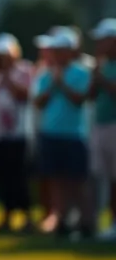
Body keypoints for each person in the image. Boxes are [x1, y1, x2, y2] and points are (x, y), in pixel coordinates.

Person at [33, 29, 93, 239]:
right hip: (50, 133)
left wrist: (62, 83)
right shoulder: (47, 73)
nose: (56, 54)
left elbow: (79, 99)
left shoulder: (82, 72)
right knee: (55, 180)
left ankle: (86, 224)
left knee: (76, 181)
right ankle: (62, 221)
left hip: (74, 134)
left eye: (60, 50)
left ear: (69, 51)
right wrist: (53, 83)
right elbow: (39, 102)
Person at [0, 33, 35, 234]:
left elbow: (24, 94)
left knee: (19, 177)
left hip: (17, 133)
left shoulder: (24, 70)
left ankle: (27, 216)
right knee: (2, 176)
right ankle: (7, 215)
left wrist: (7, 77)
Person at [88, 18, 116, 241]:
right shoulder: (103, 65)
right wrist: (96, 77)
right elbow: (90, 96)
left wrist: (101, 78)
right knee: (103, 177)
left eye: (102, 40)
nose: (98, 44)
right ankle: (106, 222)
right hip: (101, 125)